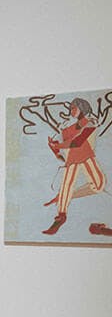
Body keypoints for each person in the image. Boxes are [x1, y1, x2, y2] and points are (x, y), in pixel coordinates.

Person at [43, 97, 107, 235]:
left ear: (82, 108)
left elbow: (77, 142)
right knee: (67, 184)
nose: (71, 111)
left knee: (99, 185)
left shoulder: (91, 122)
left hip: (85, 156)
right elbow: (64, 143)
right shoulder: (71, 127)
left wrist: (57, 146)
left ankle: (64, 198)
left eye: (73, 108)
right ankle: (61, 215)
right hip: (73, 159)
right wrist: (55, 146)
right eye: (70, 108)